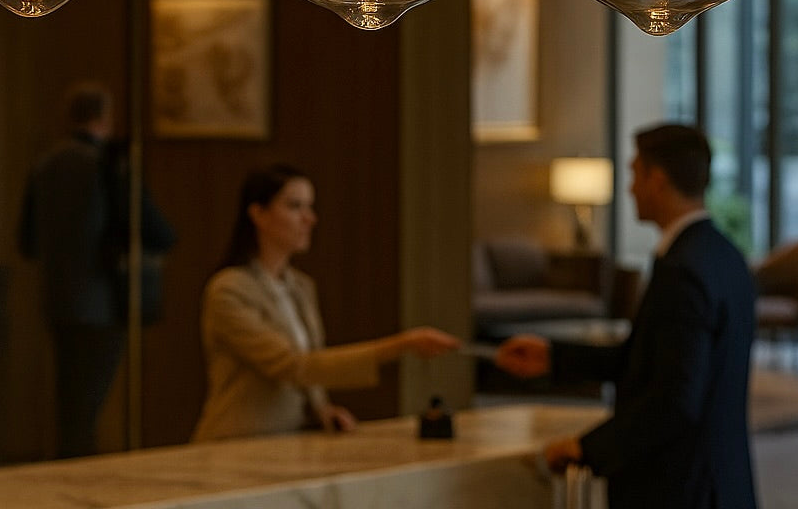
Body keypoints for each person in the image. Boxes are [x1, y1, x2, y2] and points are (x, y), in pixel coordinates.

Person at [496, 123, 757, 509]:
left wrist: (587, 448)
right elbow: (648, 360)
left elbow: (673, 401)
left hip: (681, 491)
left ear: (657, 179)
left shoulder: (682, 270)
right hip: (722, 484)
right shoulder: (726, 258)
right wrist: (554, 357)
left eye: (635, 174)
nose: (630, 188)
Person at [193, 164, 459, 441]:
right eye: (295, 206)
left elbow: (309, 365)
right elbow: (292, 366)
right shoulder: (229, 290)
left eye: (310, 206)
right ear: (258, 214)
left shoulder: (301, 287)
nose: (309, 218)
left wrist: (321, 409)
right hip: (237, 442)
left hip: (289, 443)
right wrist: (400, 345)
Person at [20, 83, 176, 458]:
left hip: (57, 301)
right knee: (89, 408)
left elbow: (27, 241)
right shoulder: (107, 164)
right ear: (104, 118)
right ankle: (78, 484)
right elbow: (154, 230)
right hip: (105, 302)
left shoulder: (45, 165)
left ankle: (63, 477)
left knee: (70, 404)